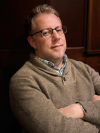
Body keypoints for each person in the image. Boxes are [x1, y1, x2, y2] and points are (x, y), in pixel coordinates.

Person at [9, 4, 100, 133]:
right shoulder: (22, 81)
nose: (57, 37)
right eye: (46, 32)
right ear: (33, 42)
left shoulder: (84, 69)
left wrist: (79, 109)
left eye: (59, 29)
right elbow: (56, 129)